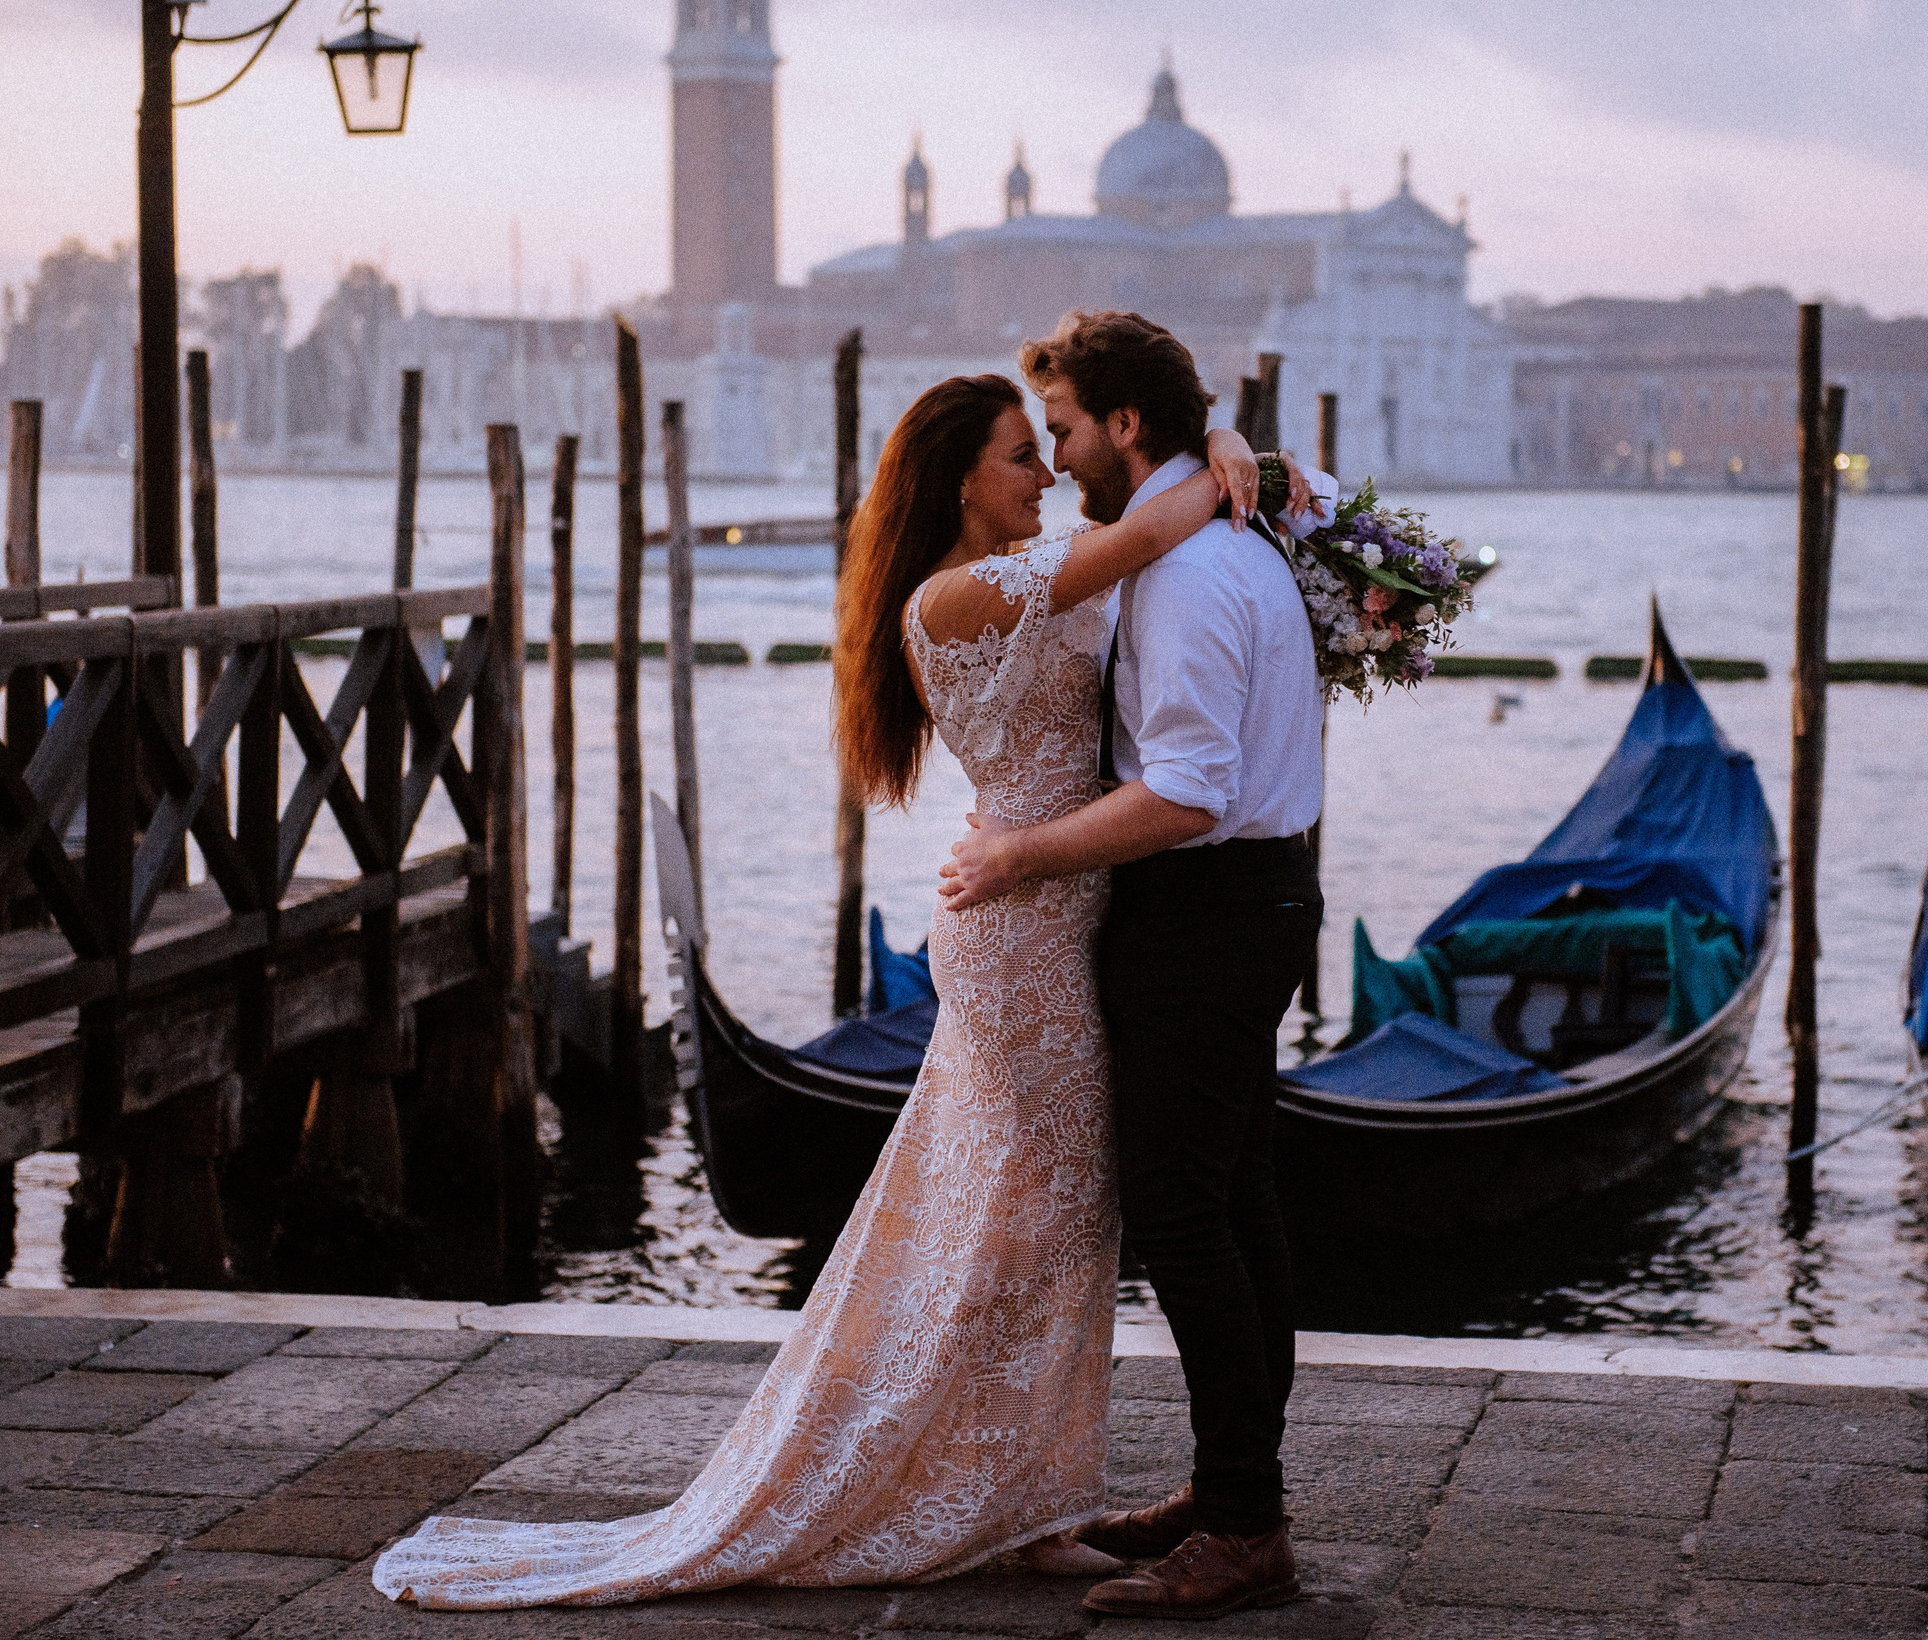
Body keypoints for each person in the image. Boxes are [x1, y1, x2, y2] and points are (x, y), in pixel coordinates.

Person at [369, 372, 1282, 1610]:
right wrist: (1222, 453)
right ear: (960, 476)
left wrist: (1223, 441)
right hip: (1021, 931)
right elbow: (1152, 530)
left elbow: (1138, 536)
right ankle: (963, 1487)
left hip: (1063, 920)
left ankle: (1020, 1493)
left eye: (1045, 447)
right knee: (1039, 1223)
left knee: (1047, 1229)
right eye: (1023, 455)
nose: (1045, 472)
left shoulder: (1030, 567)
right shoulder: (959, 594)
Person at [941, 310, 1332, 1621]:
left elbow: (1185, 791)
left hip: (1209, 910)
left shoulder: (1187, 575)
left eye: (1062, 430)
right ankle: (1235, 1488)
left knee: (1182, 1214)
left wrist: (1025, 855)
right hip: (1247, 903)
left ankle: (1244, 1525)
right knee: (1235, 1202)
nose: (1056, 457)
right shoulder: (1208, 538)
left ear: (1121, 426)